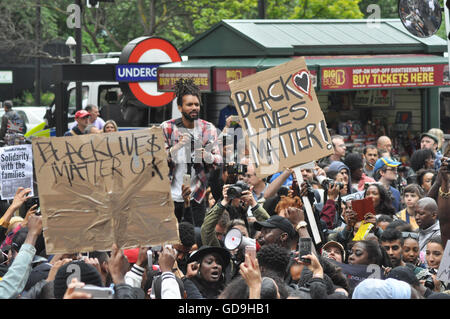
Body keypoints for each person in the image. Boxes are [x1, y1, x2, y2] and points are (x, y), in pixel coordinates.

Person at [161, 78, 222, 227]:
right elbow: (156, 160)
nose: (194, 107)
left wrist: (206, 156)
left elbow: (219, 160)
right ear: (180, 107)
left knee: (196, 238)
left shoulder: (208, 129)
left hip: (197, 195)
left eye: (196, 104)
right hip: (169, 197)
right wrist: (178, 146)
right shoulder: (167, 128)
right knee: (171, 240)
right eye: (189, 104)